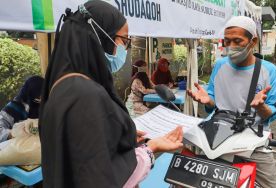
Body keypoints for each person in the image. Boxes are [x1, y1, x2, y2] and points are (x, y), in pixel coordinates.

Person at [39, 1, 183, 187]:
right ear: (100, 37)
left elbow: (82, 152)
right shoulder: (85, 96)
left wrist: (121, 136)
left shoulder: (62, 86)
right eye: (124, 40)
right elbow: (106, 178)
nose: (125, 48)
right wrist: (150, 148)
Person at [187, 16, 276, 188]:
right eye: (227, 41)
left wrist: (261, 107)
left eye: (237, 41)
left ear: (253, 41)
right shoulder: (220, 65)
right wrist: (208, 101)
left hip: (253, 142)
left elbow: (272, 114)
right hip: (218, 137)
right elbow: (213, 106)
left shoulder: (268, 70)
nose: (230, 47)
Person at [0, 76, 44, 142]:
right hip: (17, 149)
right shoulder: (13, 107)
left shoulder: (47, 105)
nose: (41, 98)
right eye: (39, 95)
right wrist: (12, 133)